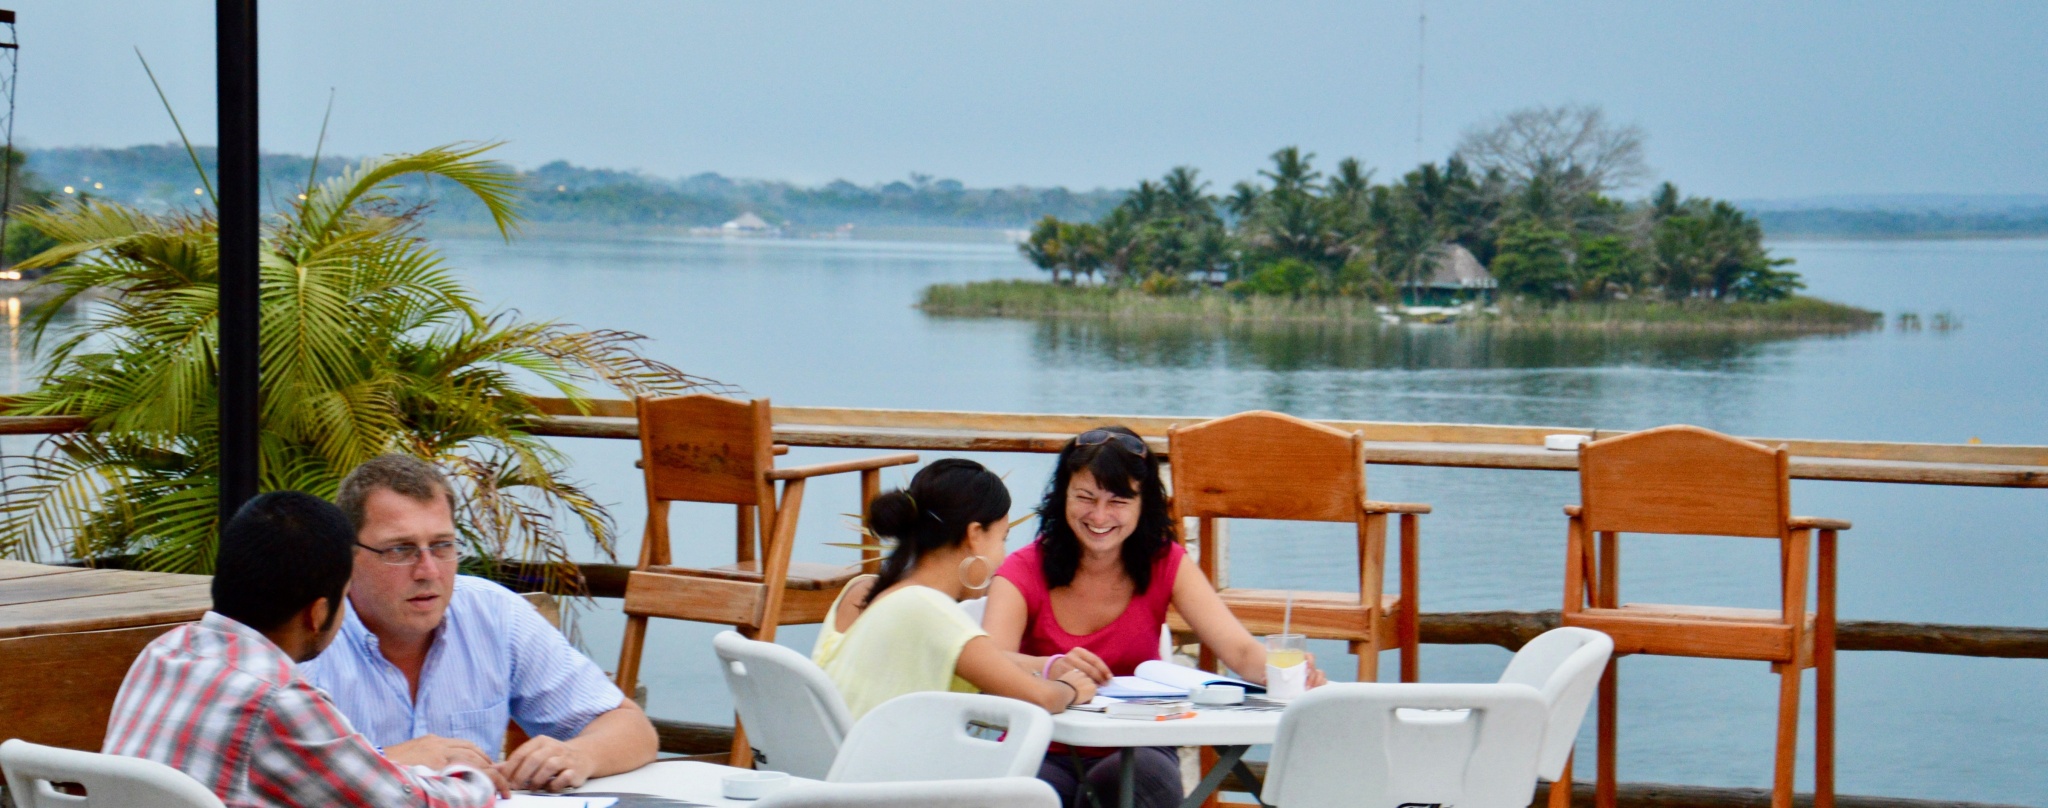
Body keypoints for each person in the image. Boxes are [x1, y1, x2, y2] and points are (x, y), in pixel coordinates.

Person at [983, 426, 1327, 808]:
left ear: (1144, 503)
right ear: (1061, 497)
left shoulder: (1164, 560)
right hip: (1041, 744)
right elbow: (988, 661)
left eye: (1118, 501)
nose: (1099, 515)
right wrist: (1050, 667)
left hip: (1138, 743)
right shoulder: (1023, 569)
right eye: (1085, 497)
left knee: (1132, 781)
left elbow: (1241, 652)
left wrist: (1288, 671)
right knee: (1028, 793)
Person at [103, 491, 503, 807]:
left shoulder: (163, 653)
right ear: (318, 613)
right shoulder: (276, 699)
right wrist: (478, 780)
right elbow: (404, 803)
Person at [301, 454, 657, 793]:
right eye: (400, 550)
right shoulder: (305, 633)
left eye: (442, 546)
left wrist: (580, 756)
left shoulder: (494, 614)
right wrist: (386, 763)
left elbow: (632, 728)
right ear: (348, 557)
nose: (428, 571)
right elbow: (259, 777)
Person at [812, 458, 1098, 720]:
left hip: (833, 768)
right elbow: (1043, 697)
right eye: (1002, 538)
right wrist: (1069, 688)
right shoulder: (927, 608)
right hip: (878, 773)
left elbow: (977, 659)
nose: (1002, 556)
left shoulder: (872, 592)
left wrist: (1044, 665)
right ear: (974, 535)